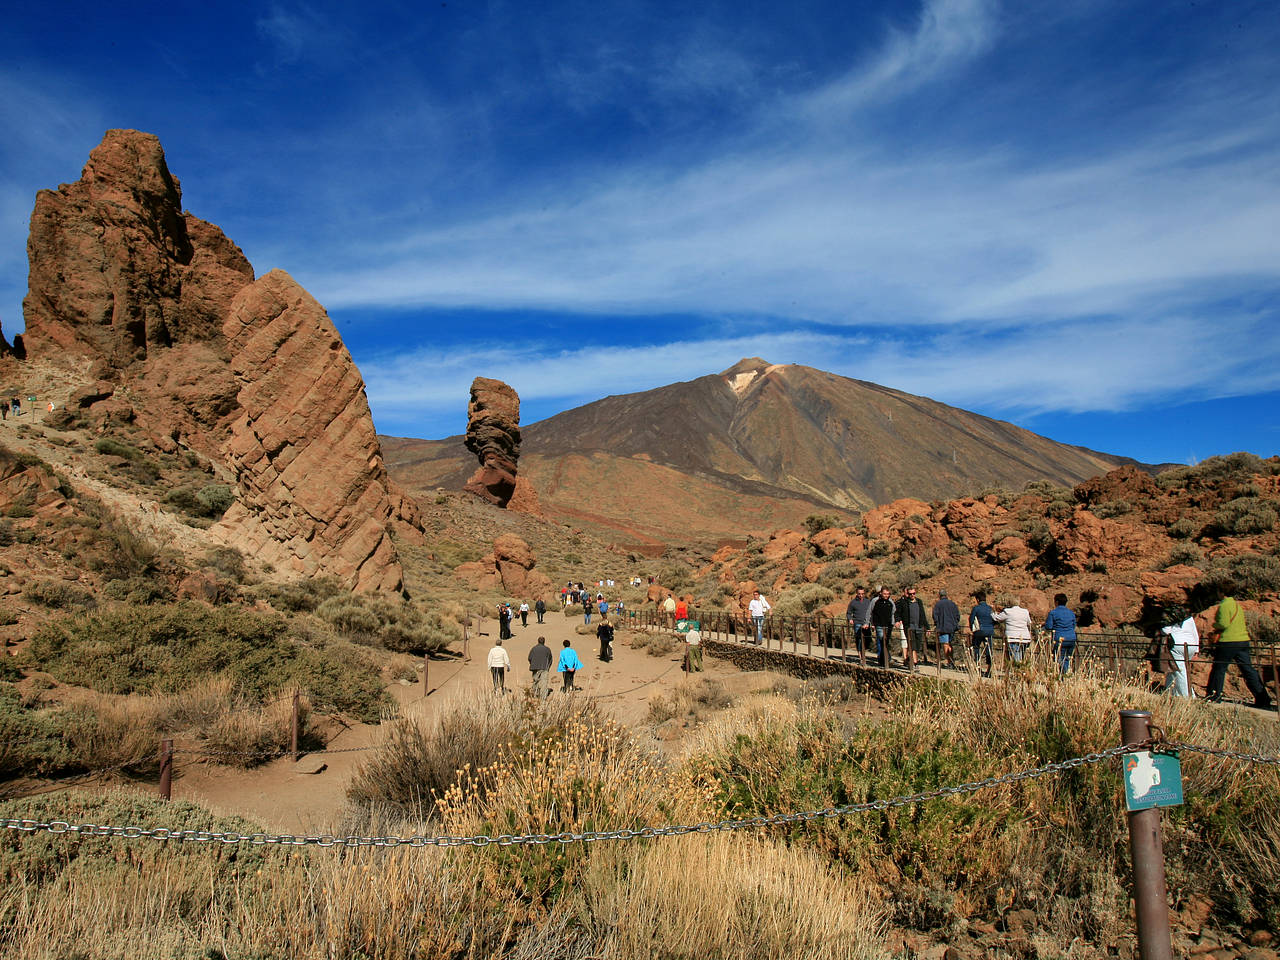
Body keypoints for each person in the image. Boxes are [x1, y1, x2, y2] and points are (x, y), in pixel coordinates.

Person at [1206, 590, 1272, 708]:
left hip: (1228, 641)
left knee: (1219, 668)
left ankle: (1214, 695)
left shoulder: (1224, 606)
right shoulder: (1238, 606)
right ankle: (1263, 699)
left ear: (1222, 593)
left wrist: (1215, 625)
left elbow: (1223, 624)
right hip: (1243, 641)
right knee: (1248, 670)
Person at [1160, 607, 1199, 698]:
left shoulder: (1170, 619)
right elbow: (1195, 633)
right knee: (1174, 669)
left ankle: (1188, 696)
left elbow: (1166, 631)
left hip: (1177, 644)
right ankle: (1170, 692)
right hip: (1191, 645)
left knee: (1180, 670)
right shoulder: (1189, 618)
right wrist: (1196, 651)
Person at [1043, 593, 1078, 674]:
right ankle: (1065, 675)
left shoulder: (1053, 613)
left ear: (1057, 602)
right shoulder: (1071, 613)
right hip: (1071, 638)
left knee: (1059, 658)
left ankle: (1060, 676)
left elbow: (1048, 626)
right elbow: (1073, 626)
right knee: (1067, 658)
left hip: (1059, 638)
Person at [896, 586, 930, 671]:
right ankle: (915, 663)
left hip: (918, 627)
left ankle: (909, 659)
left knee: (917, 646)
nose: (912, 595)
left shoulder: (919, 602)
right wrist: (897, 620)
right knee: (912, 645)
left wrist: (927, 627)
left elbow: (923, 615)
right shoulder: (904, 603)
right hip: (909, 627)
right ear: (907, 594)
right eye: (910, 594)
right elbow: (897, 613)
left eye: (913, 593)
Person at [994, 597, 1034, 665]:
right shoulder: (1025, 611)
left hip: (1013, 637)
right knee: (1021, 656)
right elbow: (1029, 622)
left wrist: (993, 612)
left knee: (1016, 656)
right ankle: (1021, 670)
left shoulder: (1008, 611)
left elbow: (997, 618)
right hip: (1025, 637)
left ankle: (1018, 670)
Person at [869, 585, 898, 668]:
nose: (886, 595)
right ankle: (887, 659)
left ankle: (882, 660)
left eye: (887, 594)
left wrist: (893, 622)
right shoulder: (875, 601)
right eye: (884, 594)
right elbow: (870, 612)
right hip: (879, 625)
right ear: (880, 593)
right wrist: (870, 623)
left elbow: (893, 612)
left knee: (885, 642)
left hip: (888, 625)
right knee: (882, 641)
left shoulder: (890, 602)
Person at [931, 589, 961, 669]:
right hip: (952, 627)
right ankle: (952, 661)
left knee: (945, 644)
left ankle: (949, 662)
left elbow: (935, 616)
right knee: (950, 644)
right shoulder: (952, 604)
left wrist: (937, 624)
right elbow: (957, 615)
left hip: (943, 627)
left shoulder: (938, 605)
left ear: (939, 595)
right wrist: (955, 623)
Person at [969, 591, 995, 677]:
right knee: (989, 650)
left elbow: (971, 619)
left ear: (977, 599)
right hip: (990, 631)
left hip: (979, 631)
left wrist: (972, 629)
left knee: (976, 647)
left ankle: (977, 666)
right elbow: (994, 619)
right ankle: (989, 669)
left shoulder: (976, 608)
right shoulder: (990, 608)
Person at [846, 586, 873, 659]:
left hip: (866, 623)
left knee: (868, 639)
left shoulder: (868, 601)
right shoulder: (853, 603)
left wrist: (872, 622)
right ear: (856, 593)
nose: (861, 595)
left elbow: (871, 612)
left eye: (862, 594)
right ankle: (861, 654)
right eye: (859, 594)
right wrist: (850, 619)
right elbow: (848, 613)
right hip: (857, 622)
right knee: (859, 639)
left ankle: (863, 651)